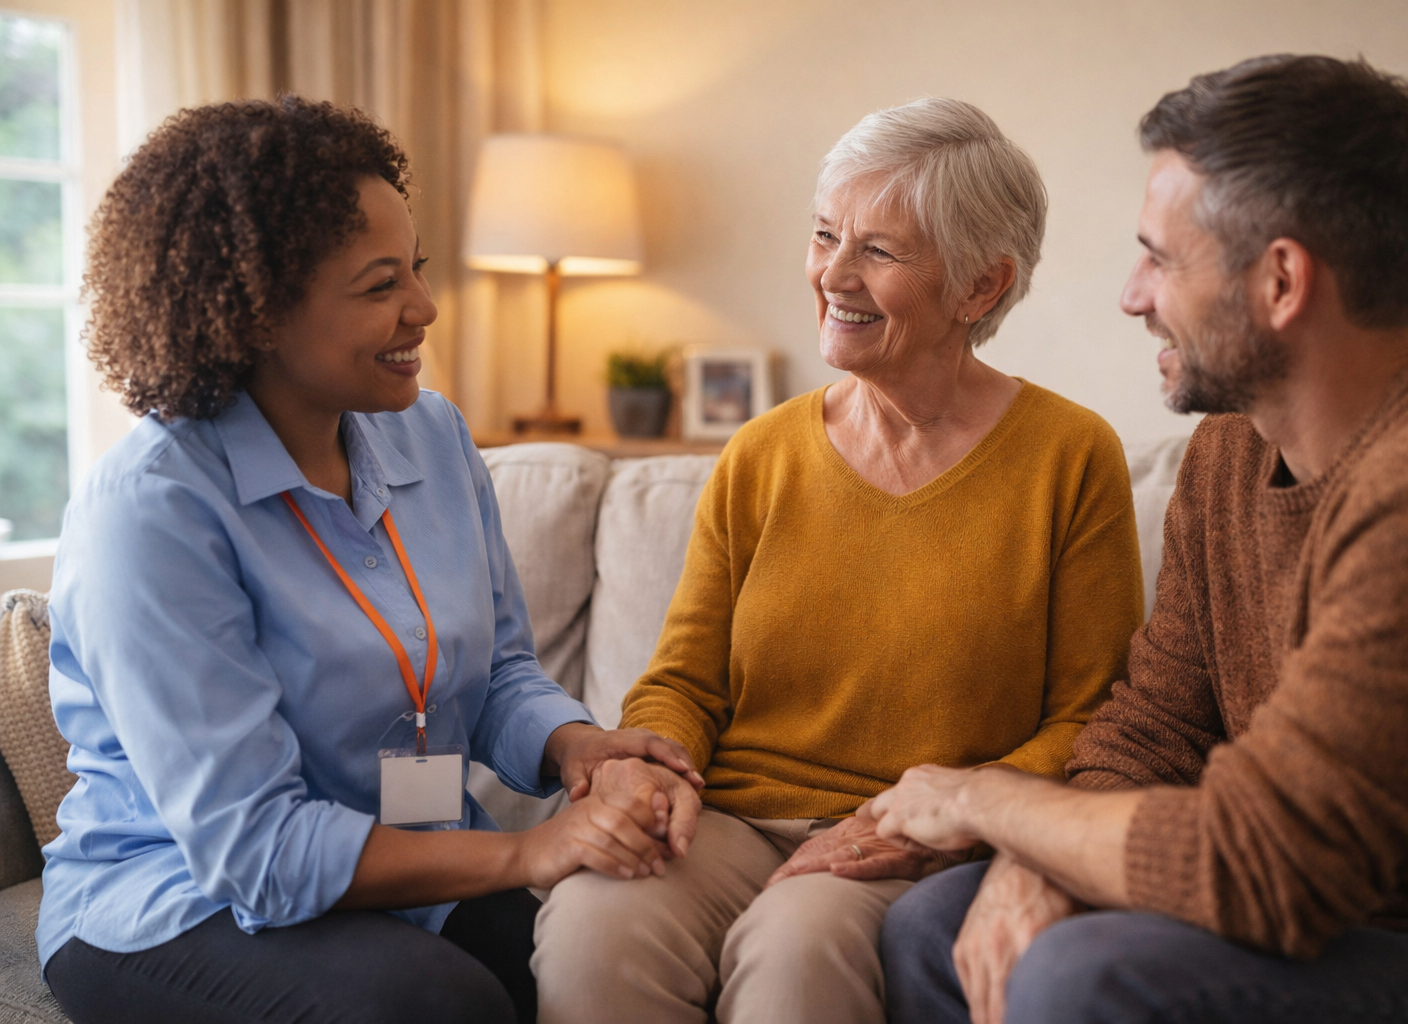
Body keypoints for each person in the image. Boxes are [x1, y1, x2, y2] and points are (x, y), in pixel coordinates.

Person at [873, 54, 1408, 1024]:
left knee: (1079, 973)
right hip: (1273, 901)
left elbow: (1277, 861)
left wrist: (988, 803)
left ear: (1281, 281)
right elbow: (1158, 725)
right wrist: (1038, 858)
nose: (1132, 295)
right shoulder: (1230, 449)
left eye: (1161, 258)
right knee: (932, 925)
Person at [38, 96, 702, 1024]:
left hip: (404, 868)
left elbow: (500, 673)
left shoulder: (431, 434)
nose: (424, 309)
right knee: (438, 1005)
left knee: (606, 959)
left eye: (416, 268)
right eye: (381, 284)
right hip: (180, 900)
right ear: (257, 311)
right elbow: (257, 851)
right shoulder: (153, 511)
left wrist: (579, 749)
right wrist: (529, 852)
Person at [531, 98, 1145, 1024]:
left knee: (796, 953)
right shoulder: (761, 453)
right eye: (825, 235)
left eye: (879, 251)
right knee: (592, 926)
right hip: (726, 820)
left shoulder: (1069, 456)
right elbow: (683, 682)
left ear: (981, 288)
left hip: (909, 835)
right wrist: (647, 767)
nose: (833, 274)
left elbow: (1090, 717)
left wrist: (950, 811)